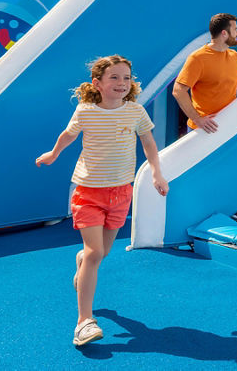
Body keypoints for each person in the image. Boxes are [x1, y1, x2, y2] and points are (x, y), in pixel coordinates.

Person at [35, 55, 168, 347]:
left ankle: (82, 261)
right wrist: (53, 154)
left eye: (126, 78)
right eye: (114, 78)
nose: (122, 83)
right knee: (96, 252)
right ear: (98, 83)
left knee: (100, 253)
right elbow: (68, 135)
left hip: (121, 192)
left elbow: (148, 143)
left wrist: (157, 173)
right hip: (88, 191)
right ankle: (84, 322)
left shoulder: (135, 112)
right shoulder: (86, 111)